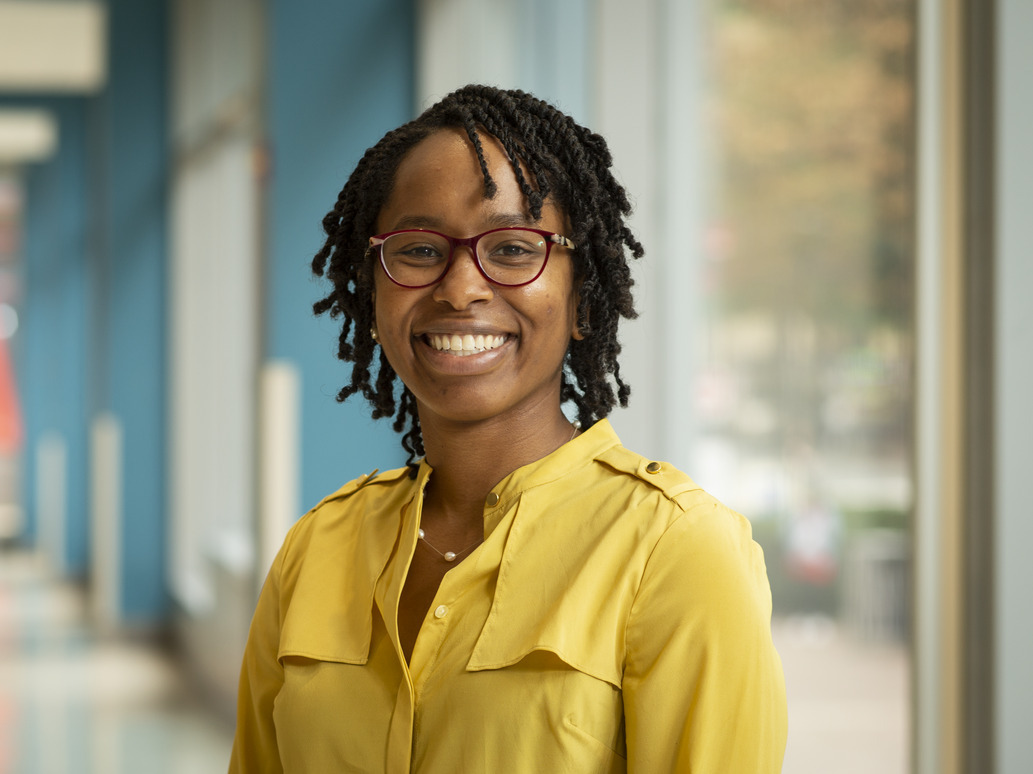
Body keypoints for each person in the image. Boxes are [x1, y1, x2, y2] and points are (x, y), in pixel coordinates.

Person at [229, 84, 787, 773]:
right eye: (418, 250)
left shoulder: (673, 551)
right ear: (372, 290)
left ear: (581, 295)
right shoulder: (316, 547)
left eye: (515, 248)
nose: (460, 288)